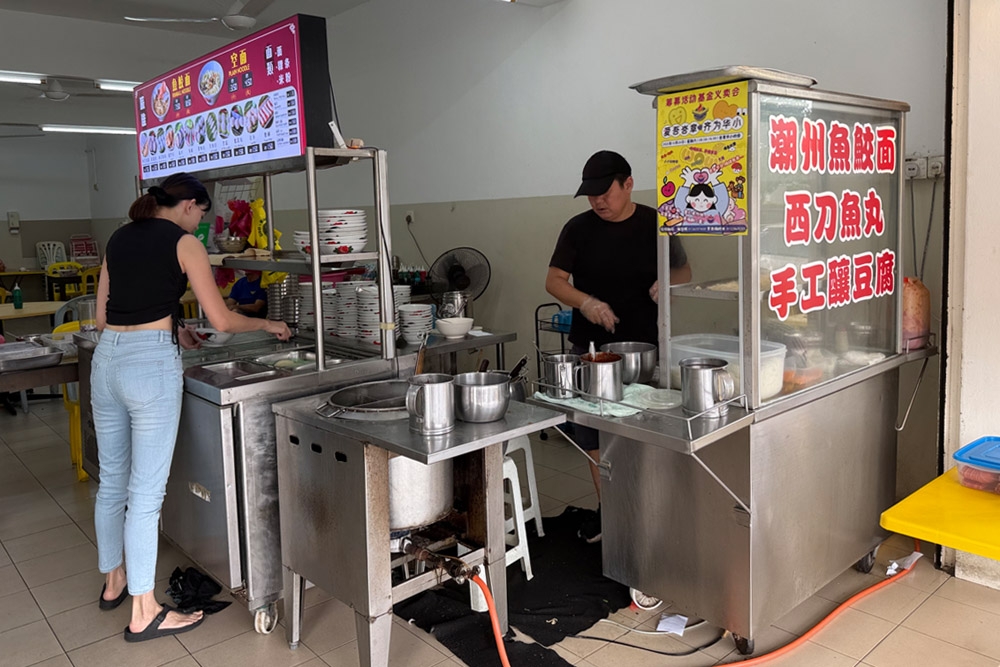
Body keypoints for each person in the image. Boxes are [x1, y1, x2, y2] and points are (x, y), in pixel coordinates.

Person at [92, 173, 291, 642]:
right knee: (145, 496)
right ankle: (144, 612)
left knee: (112, 482)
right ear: (188, 206)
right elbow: (221, 318)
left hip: (108, 363)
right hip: (149, 369)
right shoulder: (185, 244)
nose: (202, 222)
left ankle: (113, 581)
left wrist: (172, 324)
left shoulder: (118, 239)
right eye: (202, 213)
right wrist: (268, 322)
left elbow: (105, 317)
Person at [545, 150, 691, 542]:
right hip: (592, 352)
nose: (598, 202)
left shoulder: (657, 223)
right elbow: (555, 281)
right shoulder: (577, 228)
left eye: (605, 192)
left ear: (628, 184)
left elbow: (684, 270)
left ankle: (652, 513)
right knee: (594, 438)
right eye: (590, 195)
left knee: (645, 432)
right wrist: (586, 302)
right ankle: (612, 513)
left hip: (649, 348)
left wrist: (670, 283)